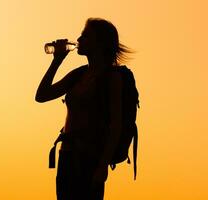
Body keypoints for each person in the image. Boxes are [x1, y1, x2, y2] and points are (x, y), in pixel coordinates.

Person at [35, 18, 134, 200]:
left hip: (90, 158)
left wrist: (103, 165)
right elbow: (41, 96)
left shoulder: (112, 78)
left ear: (100, 43)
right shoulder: (80, 74)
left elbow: (116, 126)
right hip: (67, 156)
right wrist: (57, 61)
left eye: (86, 35)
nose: (79, 39)